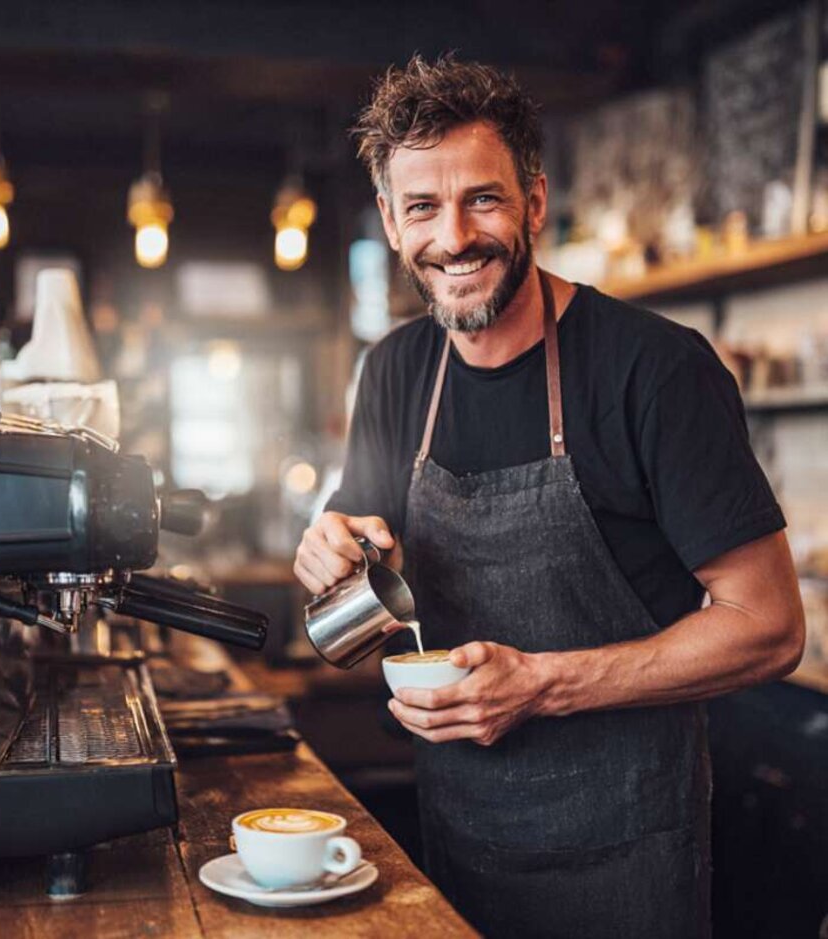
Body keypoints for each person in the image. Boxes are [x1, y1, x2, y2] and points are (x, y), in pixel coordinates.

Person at [293, 55, 804, 939]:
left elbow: (769, 626)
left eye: (481, 200)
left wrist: (541, 684)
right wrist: (325, 555)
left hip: (629, 860)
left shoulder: (656, 369)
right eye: (422, 207)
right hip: (458, 850)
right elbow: (359, 618)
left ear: (533, 201)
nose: (453, 237)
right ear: (389, 220)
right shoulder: (392, 373)